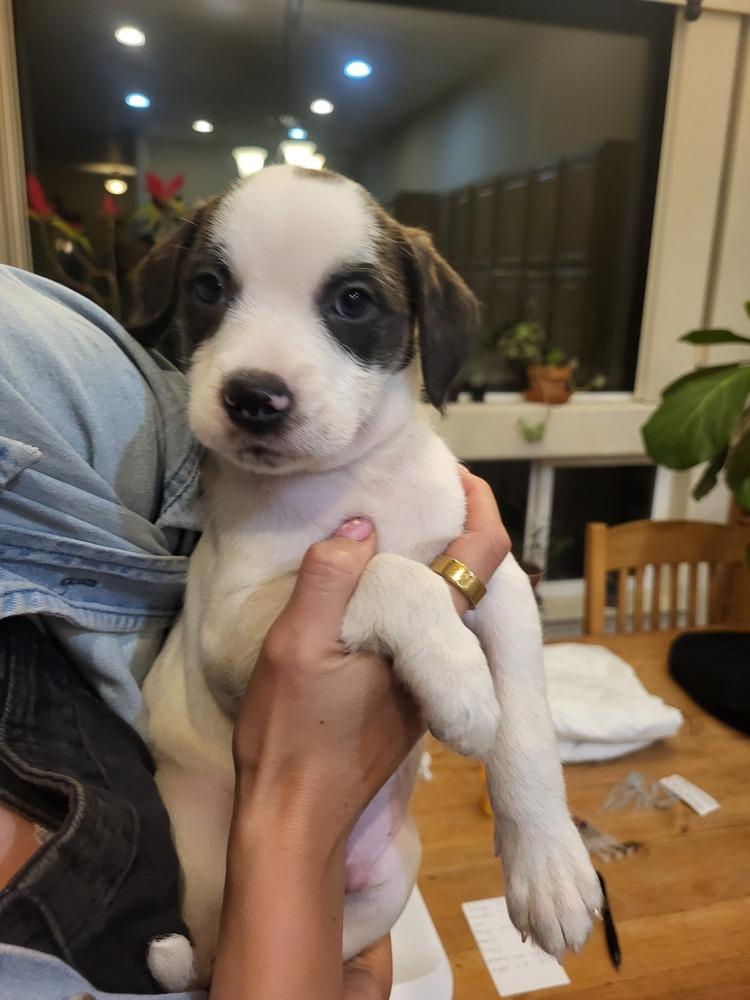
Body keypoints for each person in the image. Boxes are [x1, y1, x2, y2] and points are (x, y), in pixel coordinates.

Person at [0, 263, 509, 999]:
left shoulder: (55, 383)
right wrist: (304, 818)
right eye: (212, 291)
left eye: (353, 303)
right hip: (262, 872)